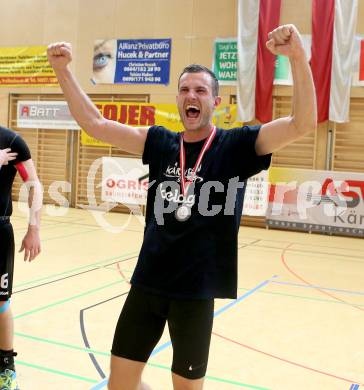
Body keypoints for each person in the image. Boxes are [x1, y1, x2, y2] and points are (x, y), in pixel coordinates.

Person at [47, 24, 316, 390]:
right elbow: (95, 124)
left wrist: (298, 58)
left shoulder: (238, 146)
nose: (192, 95)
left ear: (215, 102)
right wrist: (62, 70)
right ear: (179, 99)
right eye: (185, 89)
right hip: (148, 283)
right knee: (120, 384)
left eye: (201, 90)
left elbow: (302, 124)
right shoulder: (159, 142)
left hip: (196, 292)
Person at [0, 129, 42, 390]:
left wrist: (34, 228)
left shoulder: (11, 141)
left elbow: (33, 184)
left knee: (1, 303)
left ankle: (6, 368)